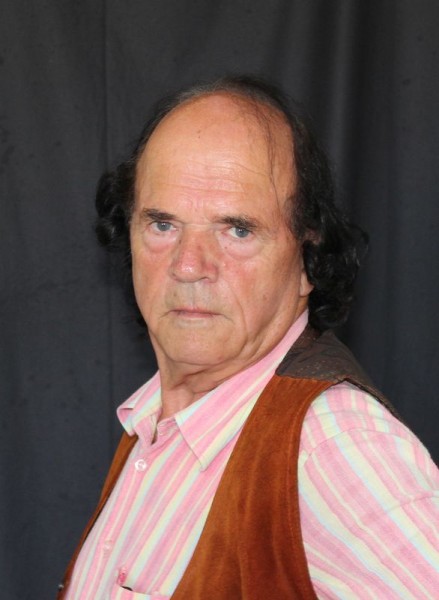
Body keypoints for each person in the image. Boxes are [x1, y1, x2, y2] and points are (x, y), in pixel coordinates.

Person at [58, 76, 438, 599]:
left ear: (307, 258)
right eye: (163, 224)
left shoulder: (333, 445)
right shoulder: (153, 420)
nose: (188, 265)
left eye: (237, 229)